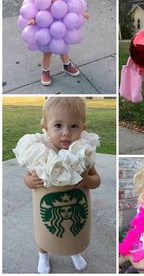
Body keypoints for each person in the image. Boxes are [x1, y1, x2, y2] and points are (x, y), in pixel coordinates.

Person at [13, 97, 101, 273]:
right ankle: (43, 255)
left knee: (75, 232)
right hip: (46, 205)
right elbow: (27, 178)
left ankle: (74, 251)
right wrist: (30, 182)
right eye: (58, 125)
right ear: (45, 126)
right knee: (44, 233)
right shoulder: (39, 154)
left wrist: (86, 179)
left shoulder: (83, 154)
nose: (66, 133)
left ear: (83, 128)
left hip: (76, 204)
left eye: (74, 126)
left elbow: (96, 180)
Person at [27, 0, 89, 86]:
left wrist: (82, 14)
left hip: (61, 32)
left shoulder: (65, 2)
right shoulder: (44, 3)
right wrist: (33, 20)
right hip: (48, 33)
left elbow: (73, 10)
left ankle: (67, 65)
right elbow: (40, 15)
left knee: (64, 50)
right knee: (47, 53)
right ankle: (45, 71)